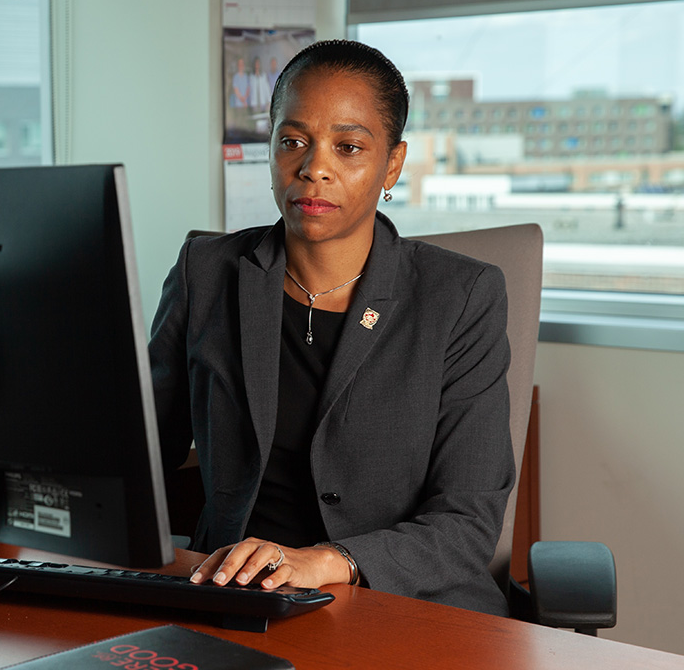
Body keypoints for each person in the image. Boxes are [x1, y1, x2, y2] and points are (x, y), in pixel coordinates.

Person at [149, 39, 514, 617]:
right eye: (293, 141)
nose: (314, 167)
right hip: (235, 599)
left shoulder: (461, 297)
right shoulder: (207, 272)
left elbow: (467, 521)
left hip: (402, 606)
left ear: (392, 163)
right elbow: (140, 452)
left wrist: (326, 560)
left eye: (347, 147)